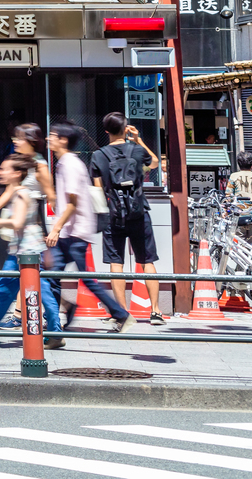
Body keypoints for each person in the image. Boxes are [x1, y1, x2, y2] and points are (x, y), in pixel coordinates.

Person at [46, 120, 127, 337]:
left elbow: (73, 203)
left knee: (71, 279)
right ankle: (55, 322)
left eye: (53, 135)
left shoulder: (70, 164)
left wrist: (56, 229)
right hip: (71, 232)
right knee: (52, 277)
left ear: (63, 140)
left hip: (74, 233)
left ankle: (119, 313)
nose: (49, 138)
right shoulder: (65, 162)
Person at [91, 113, 161, 324]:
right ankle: (156, 311)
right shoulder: (137, 151)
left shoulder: (98, 155)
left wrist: (102, 216)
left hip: (113, 214)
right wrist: (138, 140)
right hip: (139, 213)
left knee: (116, 263)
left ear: (106, 131)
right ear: (125, 129)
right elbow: (155, 163)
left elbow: (97, 190)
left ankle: (122, 312)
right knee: (147, 261)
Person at [0, 153, 60, 339]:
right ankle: (55, 330)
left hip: (26, 251)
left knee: (18, 289)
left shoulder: (21, 193)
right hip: (24, 248)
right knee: (26, 289)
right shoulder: (20, 192)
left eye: (4, 169)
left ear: (16, 173)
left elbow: (18, 222)